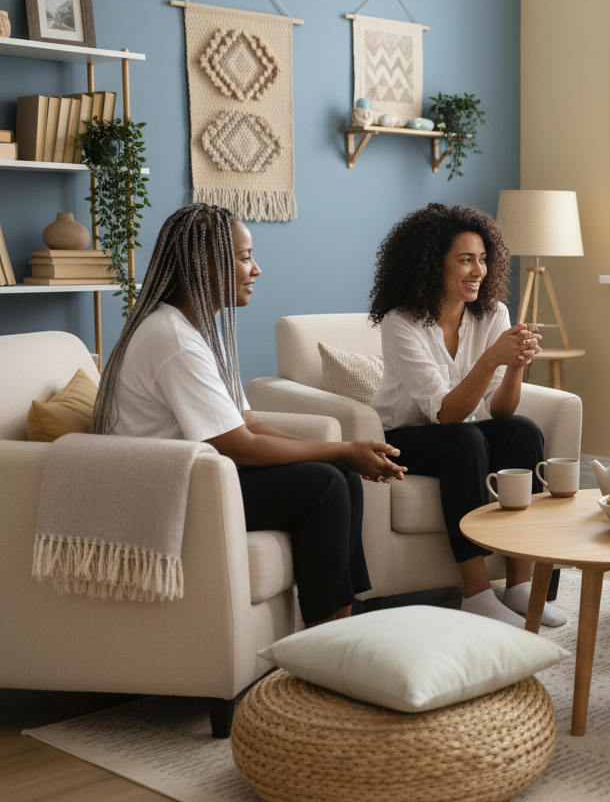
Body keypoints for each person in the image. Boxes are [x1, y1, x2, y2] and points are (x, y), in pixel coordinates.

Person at [92, 204, 405, 627]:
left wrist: (341, 452)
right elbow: (240, 446)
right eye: (244, 257)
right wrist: (339, 451)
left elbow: (248, 423)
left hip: (197, 476)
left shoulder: (194, 332)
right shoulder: (173, 340)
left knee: (341, 476)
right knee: (325, 484)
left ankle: (343, 632)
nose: (255, 269)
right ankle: (320, 641)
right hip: (163, 490)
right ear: (204, 265)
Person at [368, 203, 566, 628]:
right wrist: (491, 359)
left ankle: (518, 585)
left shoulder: (492, 314)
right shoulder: (400, 322)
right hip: (403, 437)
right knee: (465, 439)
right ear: (431, 263)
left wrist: (514, 365)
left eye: (482, 259)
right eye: (464, 260)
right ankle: (476, 593)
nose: (478, 269)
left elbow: (500, 410)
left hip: (458, 433)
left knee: (522, 432)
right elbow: (446, 413)